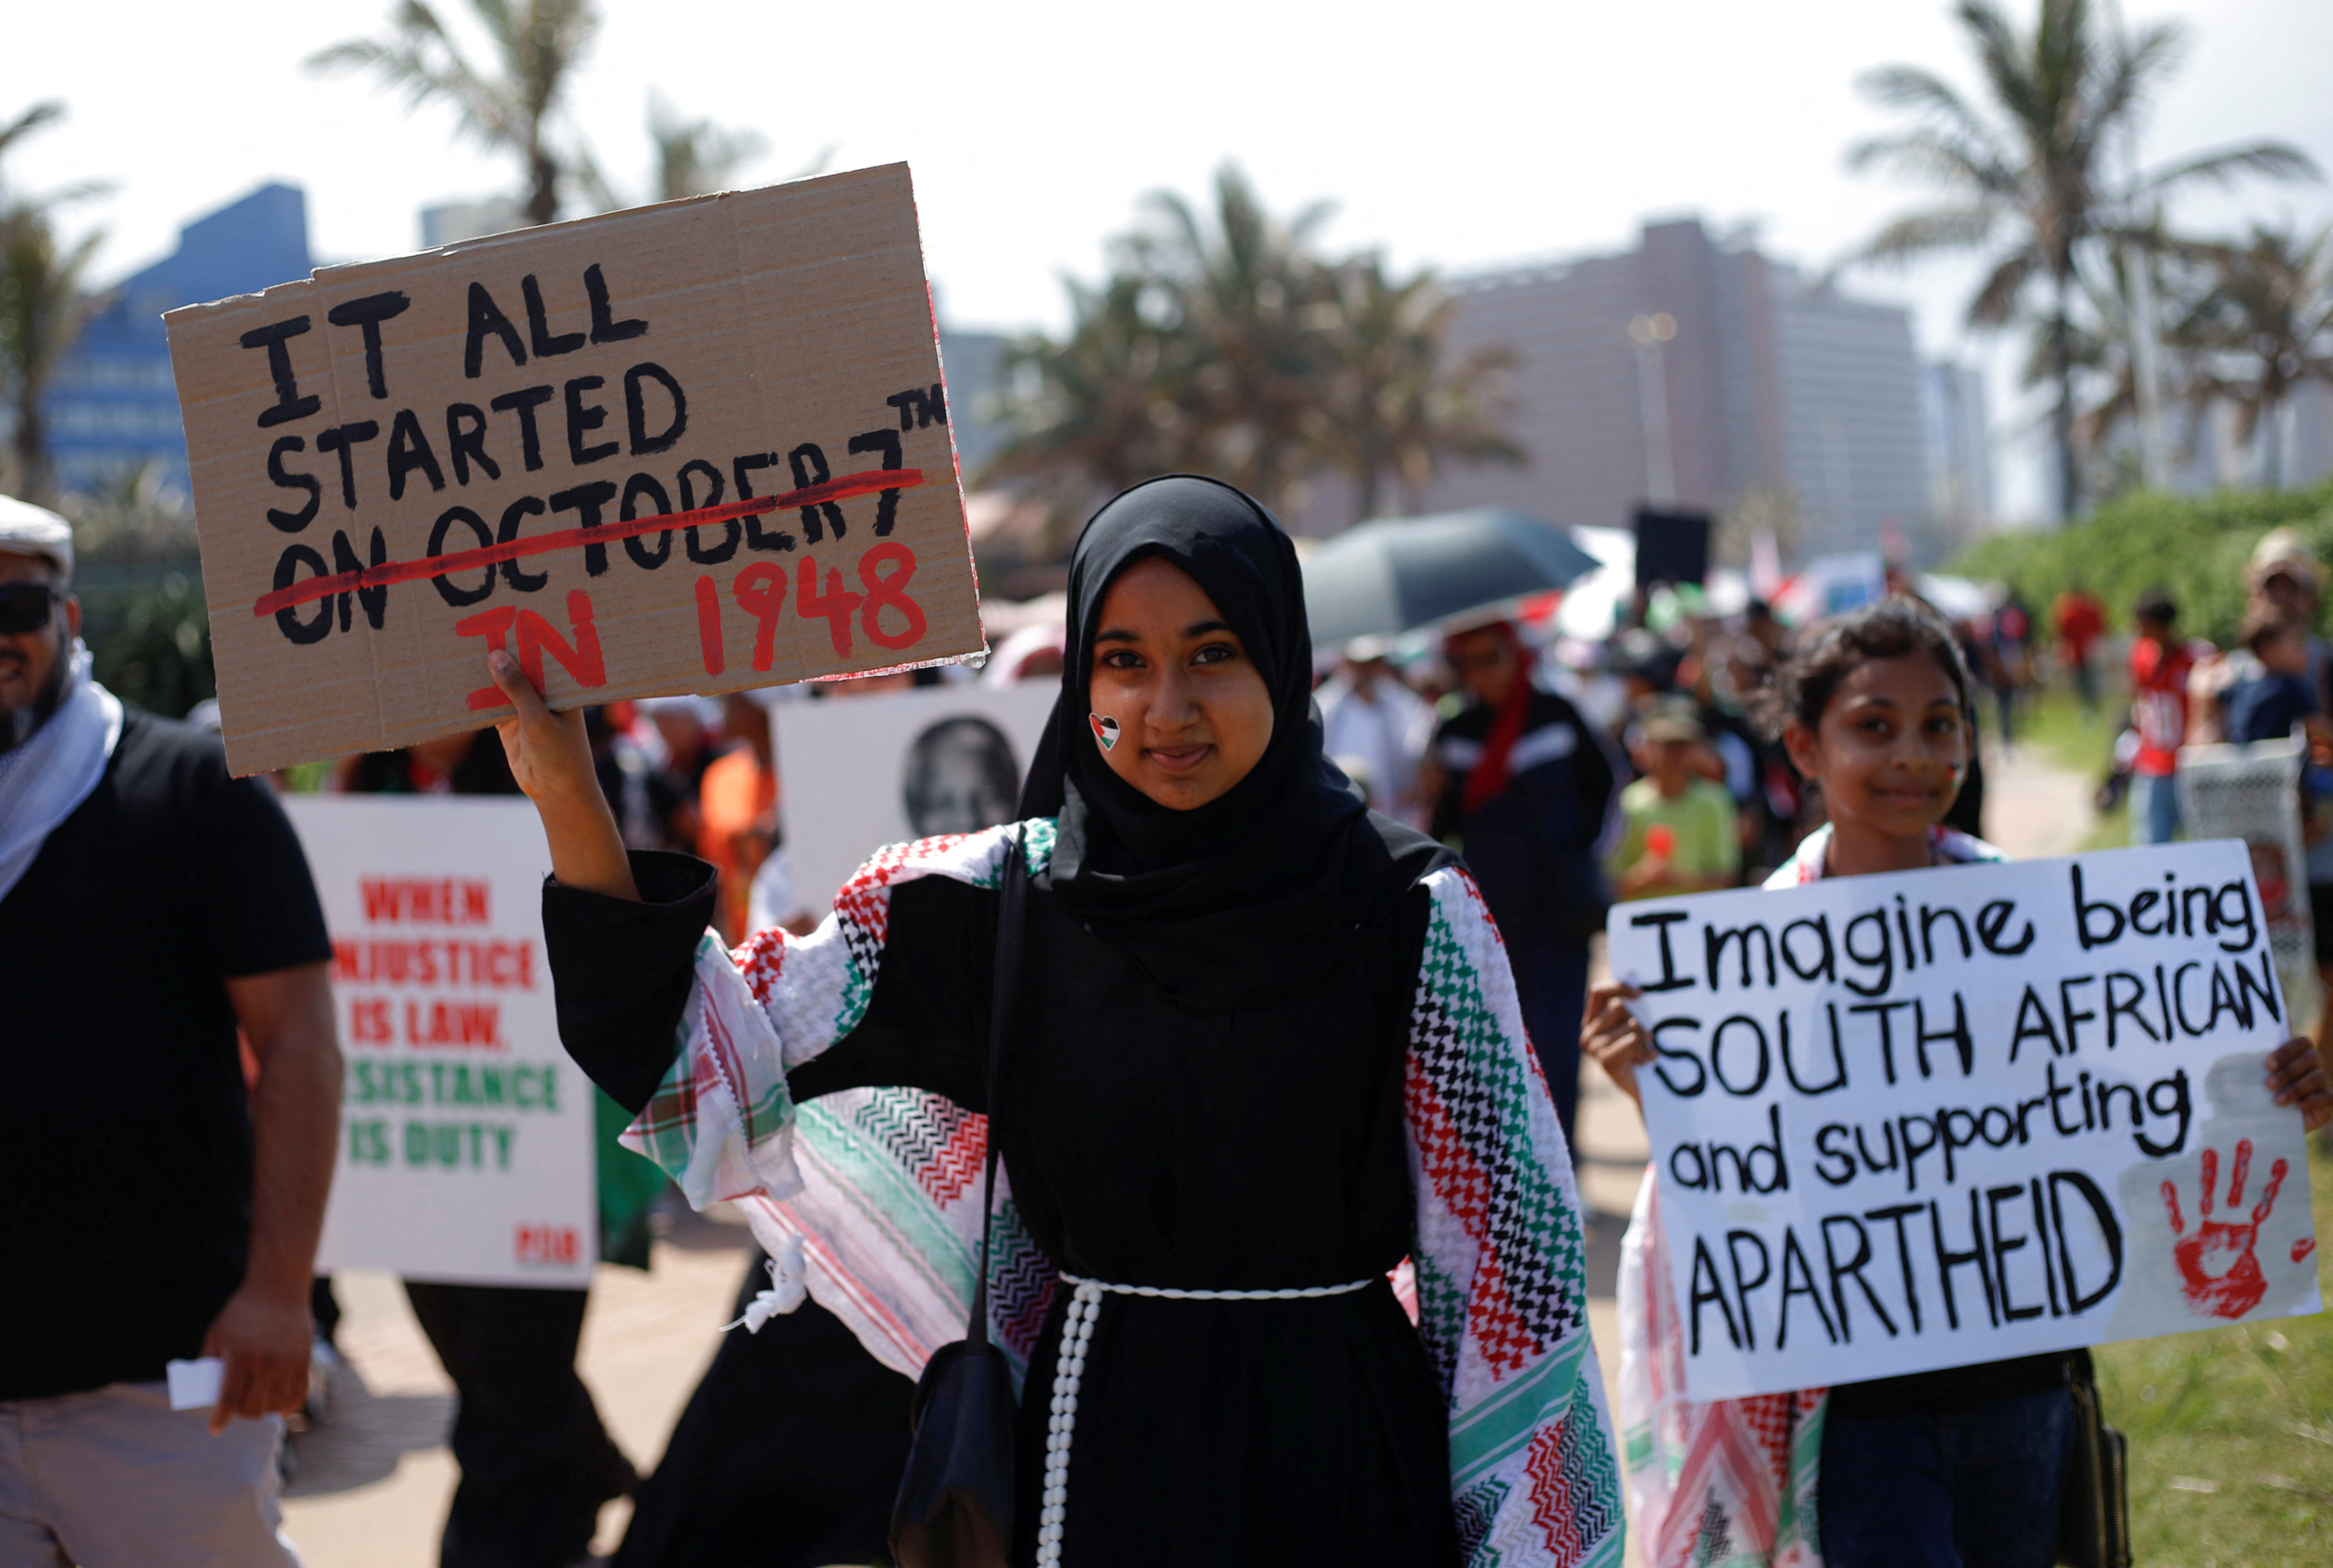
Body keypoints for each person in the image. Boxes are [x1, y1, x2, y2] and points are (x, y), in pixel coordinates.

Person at [493, 475, 1621, 1564]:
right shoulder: (997, 903)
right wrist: (568, 798)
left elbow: (1512, 1288)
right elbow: (710, 1051)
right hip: (1094, 1459)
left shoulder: (1411, 910)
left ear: (1282, 657)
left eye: (1212, 655)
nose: (1164, 707)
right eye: (1123, 660)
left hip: (1340, 1463)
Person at [1582, 597, 2333, 1568]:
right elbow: (1738, 1176)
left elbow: (2129, 1109)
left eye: (1939, 724)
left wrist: (2266, 1095)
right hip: (1854, 1405)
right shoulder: (1742, 965)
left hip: (2022, 1385)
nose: (1911, 754)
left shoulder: (2046, 925)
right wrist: (1654, 1086)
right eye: (1873, 726)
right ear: (1804, 750)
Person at [0, 496, 339, 1565]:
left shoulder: (194, 791)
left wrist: (282, 1293)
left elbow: (300, 1045)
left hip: (163, 1391)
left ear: (69, 612)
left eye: (14, 601)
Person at [338, 729, 640, 1568]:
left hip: (542, 1133)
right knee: (480, 1361)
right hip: (428, 1139)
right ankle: (591, 1468)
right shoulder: (363, 791)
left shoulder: (560, 768)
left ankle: (504, 1545)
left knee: (513, 1363)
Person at [1428, 618, 1619, 1145]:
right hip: (1488, 917)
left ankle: (1559, 1167)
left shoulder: (1557, 717)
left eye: (1490, 657)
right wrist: (1433, 791)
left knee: (1554, 1043)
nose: (1479, 672)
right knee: (1488, 1047)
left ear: (1516, 656)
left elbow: (1605, 792)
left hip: (1558, 918)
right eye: (1467, 662)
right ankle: (1507, 1169)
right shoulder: (1454, 733)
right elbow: (1444, 827)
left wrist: (1577, 857)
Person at [1606, 697, 1740, 900]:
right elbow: (1609, 883)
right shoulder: (1628, 803)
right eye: (1667, 746)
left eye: (1683, 746)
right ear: (1647, 750)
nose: (1675, 756)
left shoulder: (1716, 801)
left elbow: (1727, 877)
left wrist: (1677, 879)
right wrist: (1643, 877)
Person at [1315, 637, 1436, 825]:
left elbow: (1417, 748)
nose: (1368, 670)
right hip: (1344, 809)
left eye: (1374, 662)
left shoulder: (1402, 705)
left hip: (1395, 812)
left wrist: (1413, 783)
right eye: (1361, 664)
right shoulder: (1326, 708)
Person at [2127, 590, 2194, 846]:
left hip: (2184, 763)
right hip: (2151, 761)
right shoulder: (2141, 656)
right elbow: (2138, 700)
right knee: (2150, 840)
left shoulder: (2191, 660)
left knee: (2194, 839)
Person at [2051, 586, 2106, 716]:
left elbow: (2062, 634)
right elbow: (2101, 629)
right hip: (2090, 652)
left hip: (2079, 654)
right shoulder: (2091, 610)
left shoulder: (2069, 612)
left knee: (2083, 684)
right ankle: (2091, 709)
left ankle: (2087, 710)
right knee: (2090, 683)